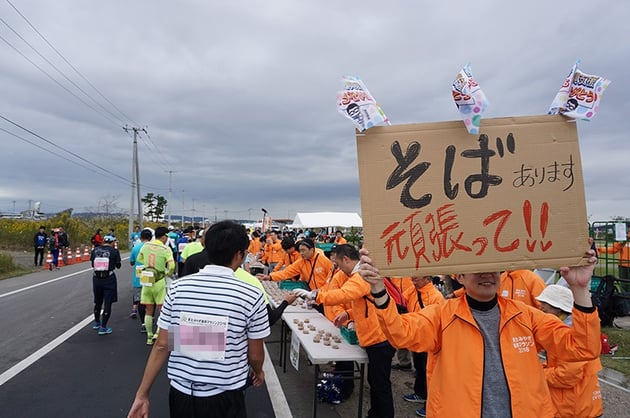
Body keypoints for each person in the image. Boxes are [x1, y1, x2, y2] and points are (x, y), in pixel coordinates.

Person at [358, 244, 601, 417]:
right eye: (477, 268)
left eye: (493, 268)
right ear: (460, 276)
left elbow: (584, 348)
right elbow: (401, 333)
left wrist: (580, 290)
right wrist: (379, 289)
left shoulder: (525, 315)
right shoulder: (442, 315)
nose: (487, 274)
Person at [127, 220, 270, 418]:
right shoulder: (251, 294)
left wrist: (142, 394)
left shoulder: (178, 288)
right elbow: (255, 354)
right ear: (240, 254)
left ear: (206, 247)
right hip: (224, 396)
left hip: (181, 393)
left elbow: (162, 345)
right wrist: (258, 371)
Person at [295, 244, 396, 417]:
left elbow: (343, 294)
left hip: (380, 338)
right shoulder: (360, 275)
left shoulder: (360, 276)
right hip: (376, 336)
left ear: (346, 259)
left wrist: (315, 296)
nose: (339, 268)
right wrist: (347, 314)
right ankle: (375, 413)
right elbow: (366, 302)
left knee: (380, 384)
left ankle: (382, 414)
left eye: (340, 264)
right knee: (376, 381)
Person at [536, 285, 603, 418]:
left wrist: (537, 374)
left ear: (558, 309)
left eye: (545, 304)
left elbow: (566, 376)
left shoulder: (569, 335)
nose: (541, 308)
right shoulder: (569, 330)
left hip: (574, 409)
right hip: (577, 406)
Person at [400, 275, 446, 417]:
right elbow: (401, 299)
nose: (413, 282)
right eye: (412, 279)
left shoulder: (435, 296)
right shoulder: (414, 290)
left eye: (416, 279)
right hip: (417, 336)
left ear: (427, 279)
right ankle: (420, 393)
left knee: (430, 373)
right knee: (419, 368)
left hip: (430, 340)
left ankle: (430, 406)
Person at [136, 226, 175, 345]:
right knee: (161, 309)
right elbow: (172, 266)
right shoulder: (165, 249)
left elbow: (139, 259)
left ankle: (149, 336)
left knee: (148, 309)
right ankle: (157, 334)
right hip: (159, 279)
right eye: (167, 236)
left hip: (147, 278)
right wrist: (167, 272)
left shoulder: (146, 246)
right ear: (163, 237)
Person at [257, 238, 334, 296]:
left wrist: (322, 290)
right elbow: (286, 272)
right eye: (300, 251)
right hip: (312, 294)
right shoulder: (301, 262)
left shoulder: (323, 260)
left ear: (312, 249)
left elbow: (332, 279)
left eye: (303, 250)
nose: (301, 253)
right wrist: (270, 277)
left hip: (326, 294)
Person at [90, 235, 122, 335]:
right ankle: (103, 327)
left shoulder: (95, 250)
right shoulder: (114, 251)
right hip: (109, 278)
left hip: (96, 278)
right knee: (107, 302)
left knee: (98, 301)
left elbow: (92, 264)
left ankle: (96, 322)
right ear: (112, 242)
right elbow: (118, 265)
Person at [129, 228, 153, 329]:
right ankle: (150, 318)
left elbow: (131, 262)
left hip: (138, 277)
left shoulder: (135, 248)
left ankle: (143, 322)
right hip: (150, 274)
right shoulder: (153, 248)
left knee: (140, 300)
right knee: (150, 299)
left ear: (140, 237)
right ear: (151, 238)